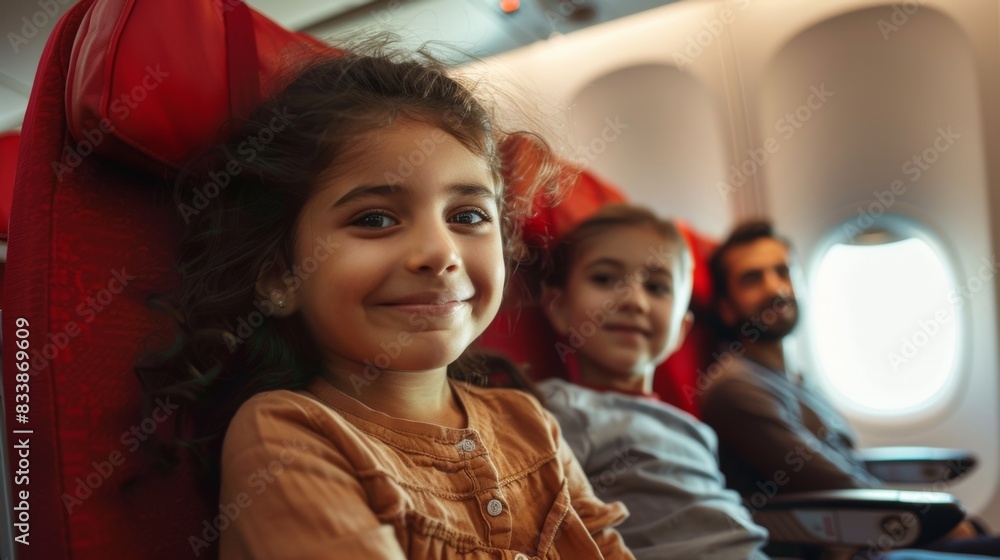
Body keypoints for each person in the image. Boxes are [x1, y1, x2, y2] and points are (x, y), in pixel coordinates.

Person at [135, 44, 636, 559]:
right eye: (375, 219)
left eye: (467, 216)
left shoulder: (531, 425)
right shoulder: (287, 433)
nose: (440, 253)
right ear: (281, 277)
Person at [532, 206, 993, 560]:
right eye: (606, 278)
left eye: (656, 286)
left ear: (681, 330)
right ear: (556, 307)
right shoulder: (555, 412)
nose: (632, 299)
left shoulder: (687, 424)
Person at [700, 220, 999, 556]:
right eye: (752, 279)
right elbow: (831, 482)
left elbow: (844, 463)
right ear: (726, 308)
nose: (776, 288)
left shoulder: (792, 377)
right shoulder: (736, 389)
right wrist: (930, 525)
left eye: (783, 272)